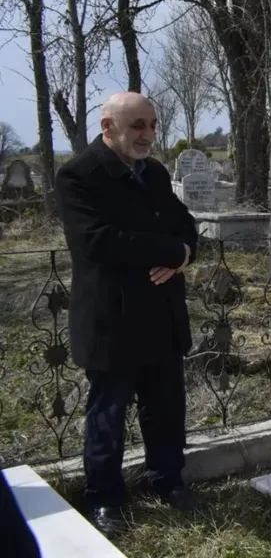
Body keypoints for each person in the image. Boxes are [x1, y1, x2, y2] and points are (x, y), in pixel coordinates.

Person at [55, 92, 200, 537]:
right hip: (111, 318)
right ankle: (105, 499)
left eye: (152, 125)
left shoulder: (153, 172)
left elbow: (185, 225)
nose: (148, 135)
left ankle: (168, 482)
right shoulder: (79, 176)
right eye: (137, 125)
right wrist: (171, 250)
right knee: (108, 415)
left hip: (160, 311)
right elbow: (98, 242)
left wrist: (184, 252)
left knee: (166, 407)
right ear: (107, 127)